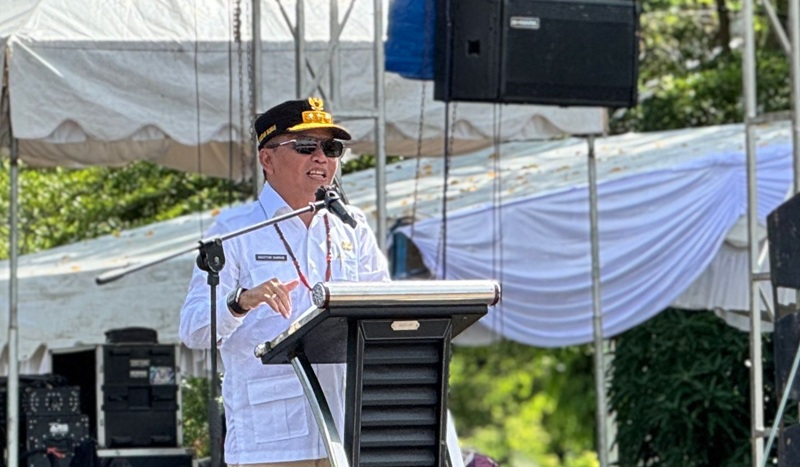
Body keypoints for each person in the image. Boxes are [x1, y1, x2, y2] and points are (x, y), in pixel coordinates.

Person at [179, 97, 390, 467]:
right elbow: (194, 330)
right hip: (272, 440)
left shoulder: (351, 226)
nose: (321, 158)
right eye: (306, 146)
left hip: (346, 435)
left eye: (331, 148)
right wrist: (240, 302)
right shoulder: (235, 230)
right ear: (267, 159)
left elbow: (386, 309)